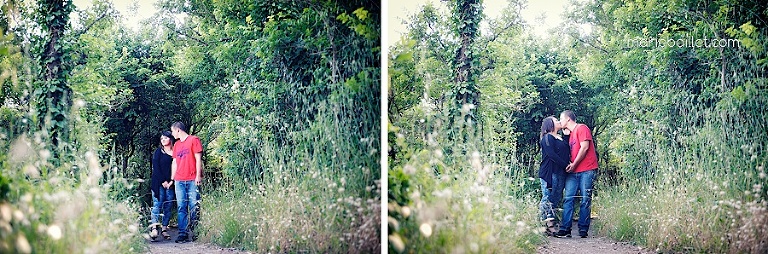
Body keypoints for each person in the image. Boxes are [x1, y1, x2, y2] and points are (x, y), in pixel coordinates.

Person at [555, 110, 599, 238]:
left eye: (561, 119)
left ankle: (583, 229)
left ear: (568, 119)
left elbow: (584, 147)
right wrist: (566, 136)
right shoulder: (571, 134)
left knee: (585, 199)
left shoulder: (582, 128)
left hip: (586, 170)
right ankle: (565, 229)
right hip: (573, 172)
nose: (559, 122)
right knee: (568, 198)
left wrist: (574, 164)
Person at [170, 121, 203, 243]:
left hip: (192, 179)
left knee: (194, 206)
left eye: (173, 131)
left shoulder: (194, 140)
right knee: (181, 207)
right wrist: (172, 179)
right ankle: (182, 233)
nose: (172, 134)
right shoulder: (177, 144)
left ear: (178, 130)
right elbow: (174, 162)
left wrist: (198, 176)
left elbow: (198, 159)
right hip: (179, 180)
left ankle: (196, 232)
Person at [538, 116, 570, 235]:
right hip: (549, 173)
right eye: (556, 120)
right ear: (550, 124)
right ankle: (544, 224)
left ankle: (550, 223)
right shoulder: (547, 137)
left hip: (560, 173)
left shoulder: (560, 138)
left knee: (556, 198)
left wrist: (566, 135)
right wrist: (565, 164)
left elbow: (566, 151)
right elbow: (551, 154)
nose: (559, 121)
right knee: (547, 197)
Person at [150, 131, 176, 241]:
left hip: (171, 184)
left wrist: (171, 182)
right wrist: (163, 181)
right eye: (162, 139)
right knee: (157, 204)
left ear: (171, 139)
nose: (163, 140)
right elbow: (156, 167)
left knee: (168, 206)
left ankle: (164, 229)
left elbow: (177, 167)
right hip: (158, 183)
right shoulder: (158, 152)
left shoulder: (176, 152)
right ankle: (154, 228)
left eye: (165, 138)